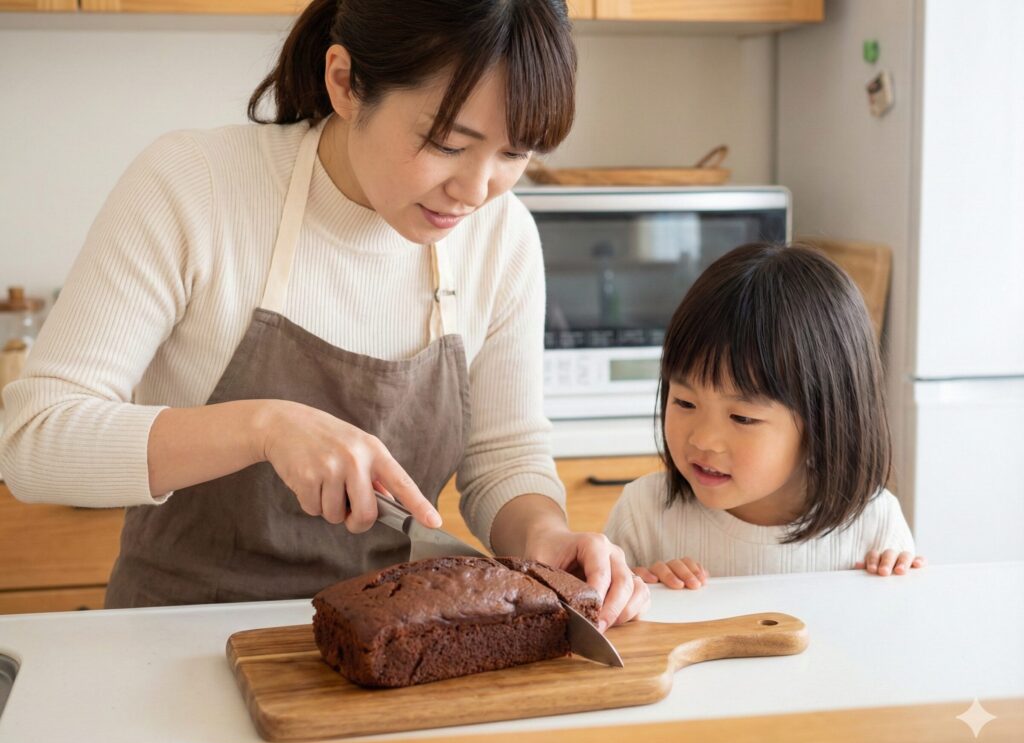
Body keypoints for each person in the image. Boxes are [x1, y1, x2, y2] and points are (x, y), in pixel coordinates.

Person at [0, 0, 648, 627]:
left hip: (390, 643)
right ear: (344, 82)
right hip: (175, 641)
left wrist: (547, 534)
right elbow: (34, 441)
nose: (477, 191)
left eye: (515, 153)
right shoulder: (196, 186)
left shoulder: (501, 236)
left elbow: (504, 459)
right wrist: (264, 426)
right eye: (448, 142)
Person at [604, 242, 925, 589]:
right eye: (684, 402)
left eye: (742, 418)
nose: (703, 439)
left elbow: (891, 633)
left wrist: (897, 586)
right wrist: (632, 595)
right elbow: (596, 626)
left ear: (823, 420)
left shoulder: (873, 522)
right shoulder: (643, 515)